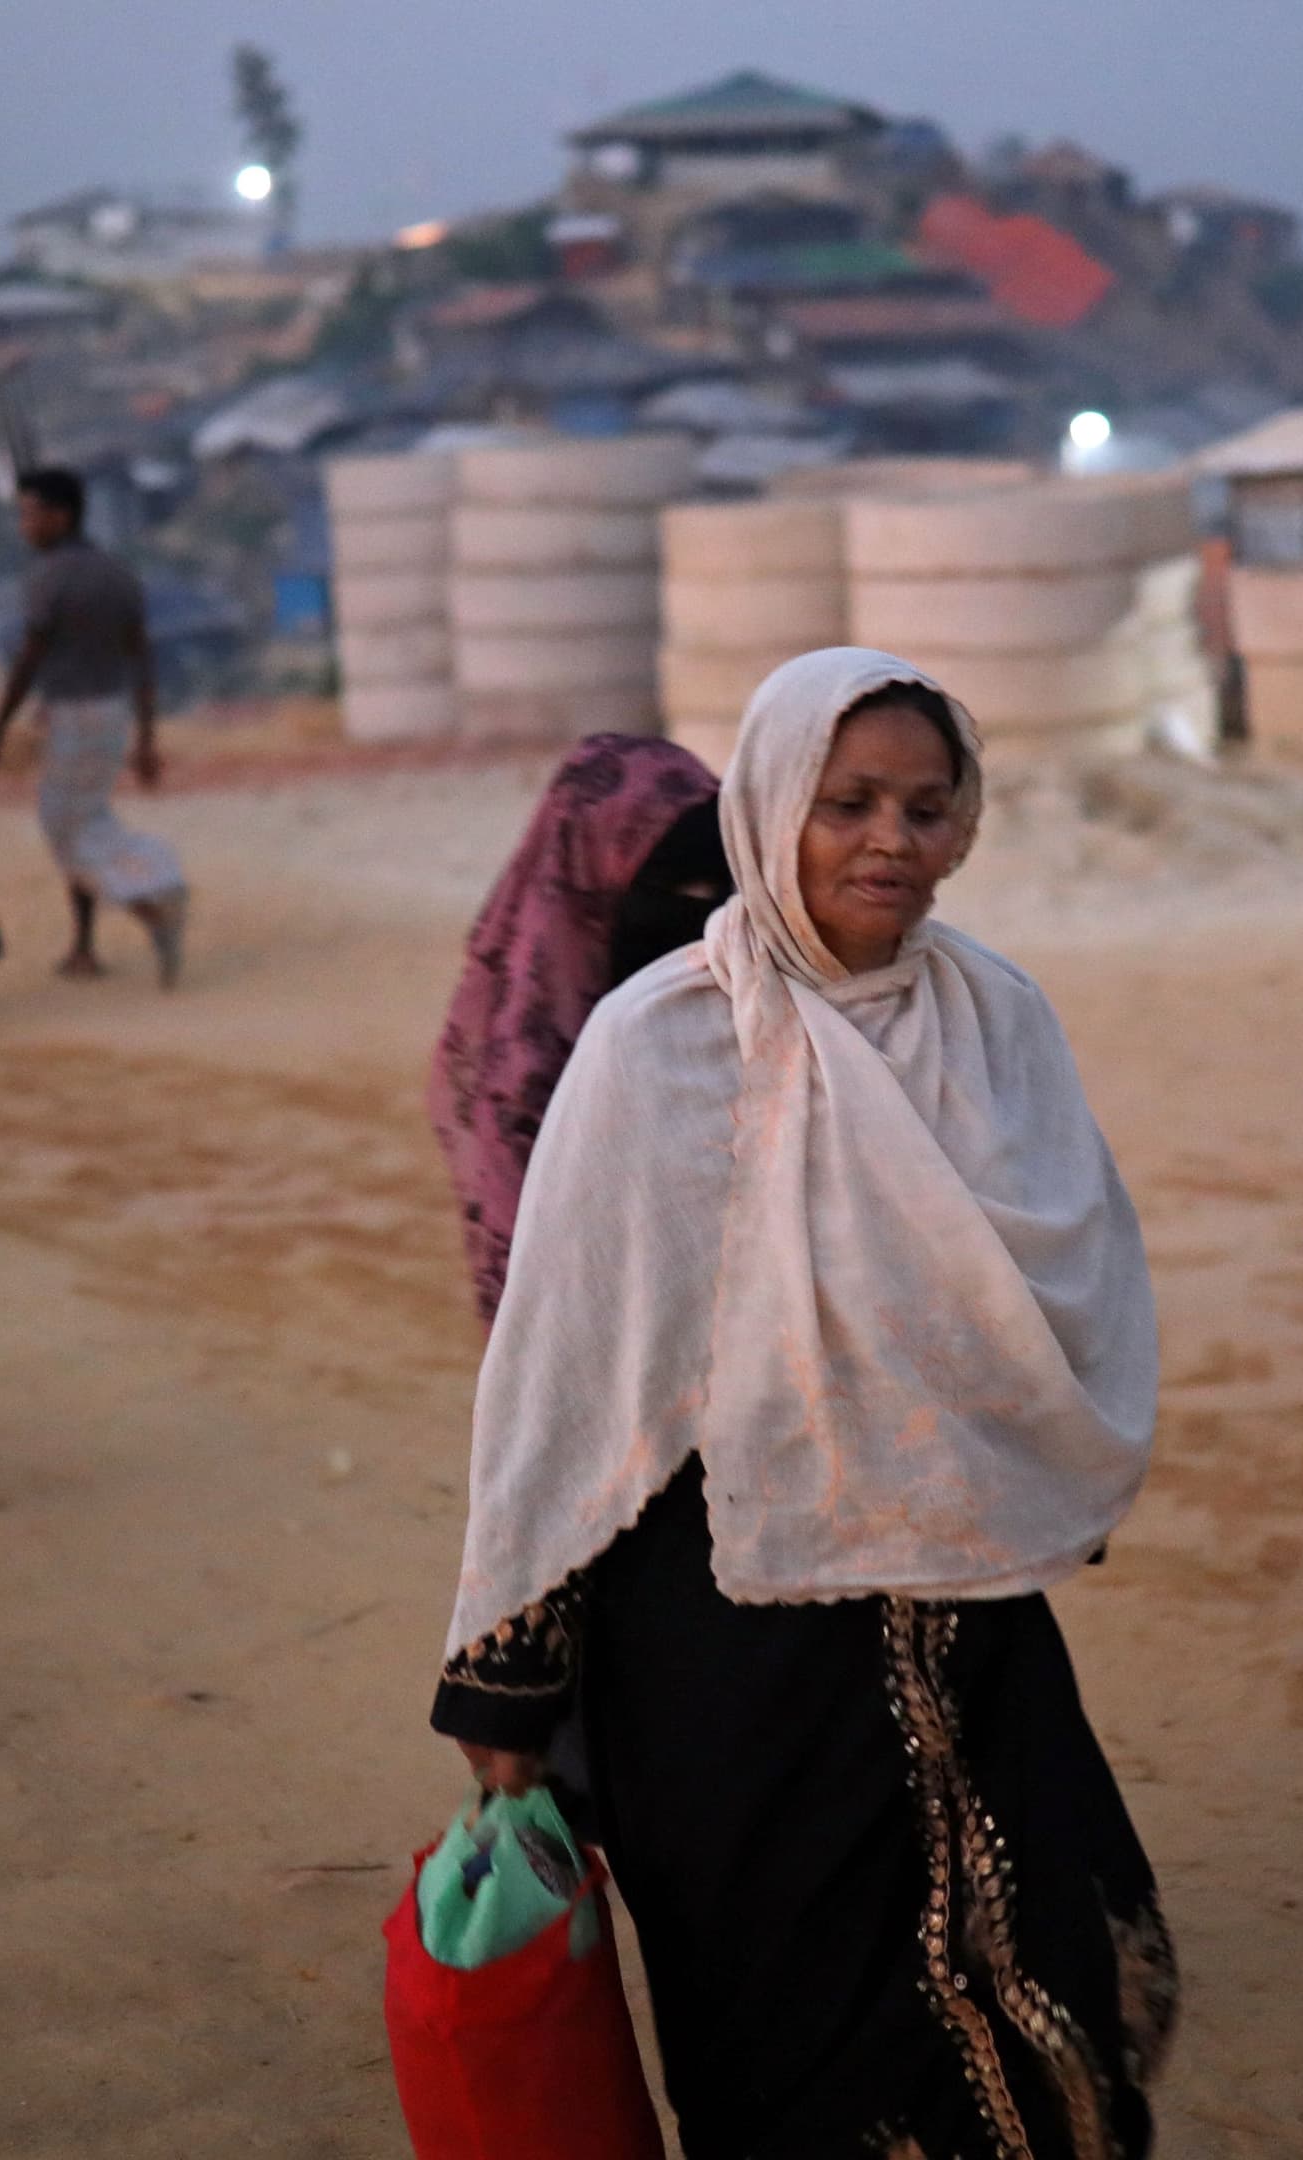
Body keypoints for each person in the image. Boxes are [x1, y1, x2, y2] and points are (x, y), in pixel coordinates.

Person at [432, 653, 1178, 2160]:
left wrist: (1032, 1465)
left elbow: (1065, 1285)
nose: (888, 839)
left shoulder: (996, 1022)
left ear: (966, 826)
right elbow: (570, 1387)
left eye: (923, 804)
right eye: (847, 804)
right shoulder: (660, 1043)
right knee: (784, 2032)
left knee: (1038, 2000)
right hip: (727, 1657)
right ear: (773, 812)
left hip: (967, 1616)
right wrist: (510, 1686)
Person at [427, 731, 728, 1326]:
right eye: (674, 891)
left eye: (724, 891)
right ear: (590, 885)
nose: (708, 918)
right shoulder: (516, 1071)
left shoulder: (741, 1009)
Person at [0, 465, 188, 987]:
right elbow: (142, 659)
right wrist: (145, 738)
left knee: (67, 829)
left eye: (31, 513)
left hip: (71, 714)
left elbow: (30, 657)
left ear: (60, 515)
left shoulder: (48, 577)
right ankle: (84, 946)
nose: (24, 525)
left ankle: (155, 893)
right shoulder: (117, 573)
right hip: (113, 712)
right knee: (84, 820)